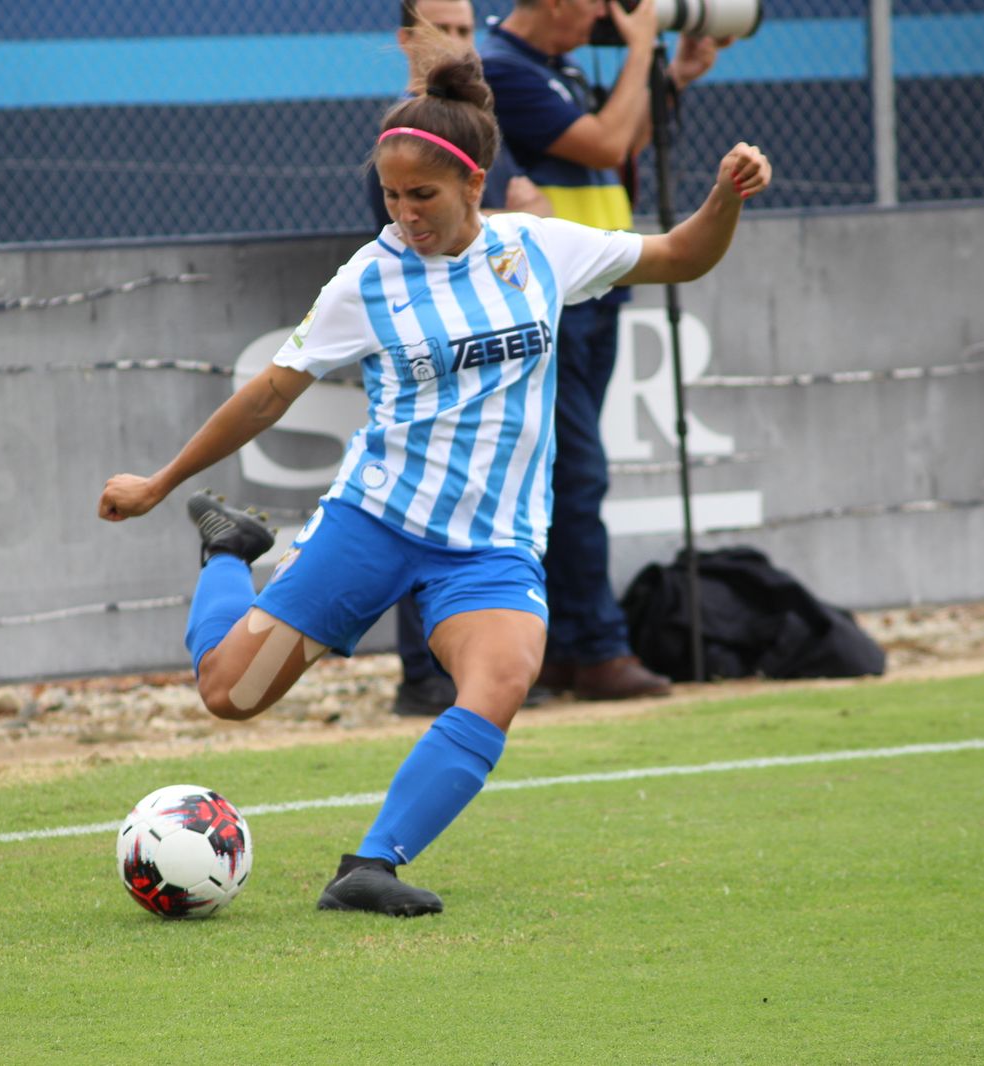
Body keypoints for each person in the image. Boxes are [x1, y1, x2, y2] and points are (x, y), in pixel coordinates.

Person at [97, 47, 769, 917]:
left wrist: (724, 198)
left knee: (503, 678)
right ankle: (227, 552)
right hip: (375, 521)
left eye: (424, 196)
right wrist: (160, 482)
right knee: (230, 696)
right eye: (391, 196)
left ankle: (369, 865)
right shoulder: (367, 281)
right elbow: (269, 393)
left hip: (490, 543)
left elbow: (682, 255)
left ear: (474, 183)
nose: (406, 215)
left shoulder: (538, 247)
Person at [480, 0, 729, 701]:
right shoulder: (505, 73)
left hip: (595, 294)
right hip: (553, 301)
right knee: (578, 474)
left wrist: (672, 75)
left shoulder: (556, 68)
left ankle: (563, 650)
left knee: (571, 475)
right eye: (595, 1)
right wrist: (641, 50)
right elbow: (603, 142)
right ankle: (595, 649)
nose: (609, 13)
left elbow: (620, 146)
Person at [375, 0, 552, 718]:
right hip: (424, 374)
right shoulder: (401, 140)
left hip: (495, 372)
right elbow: (408, 254)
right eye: (441, 29)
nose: (458, 43)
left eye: (467, 29)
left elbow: (494, 238)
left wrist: (524, 233)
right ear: (406, 39)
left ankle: (487, 671)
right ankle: (423, 674)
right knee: (412, 516)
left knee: (491, 520)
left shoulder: (472, 128)